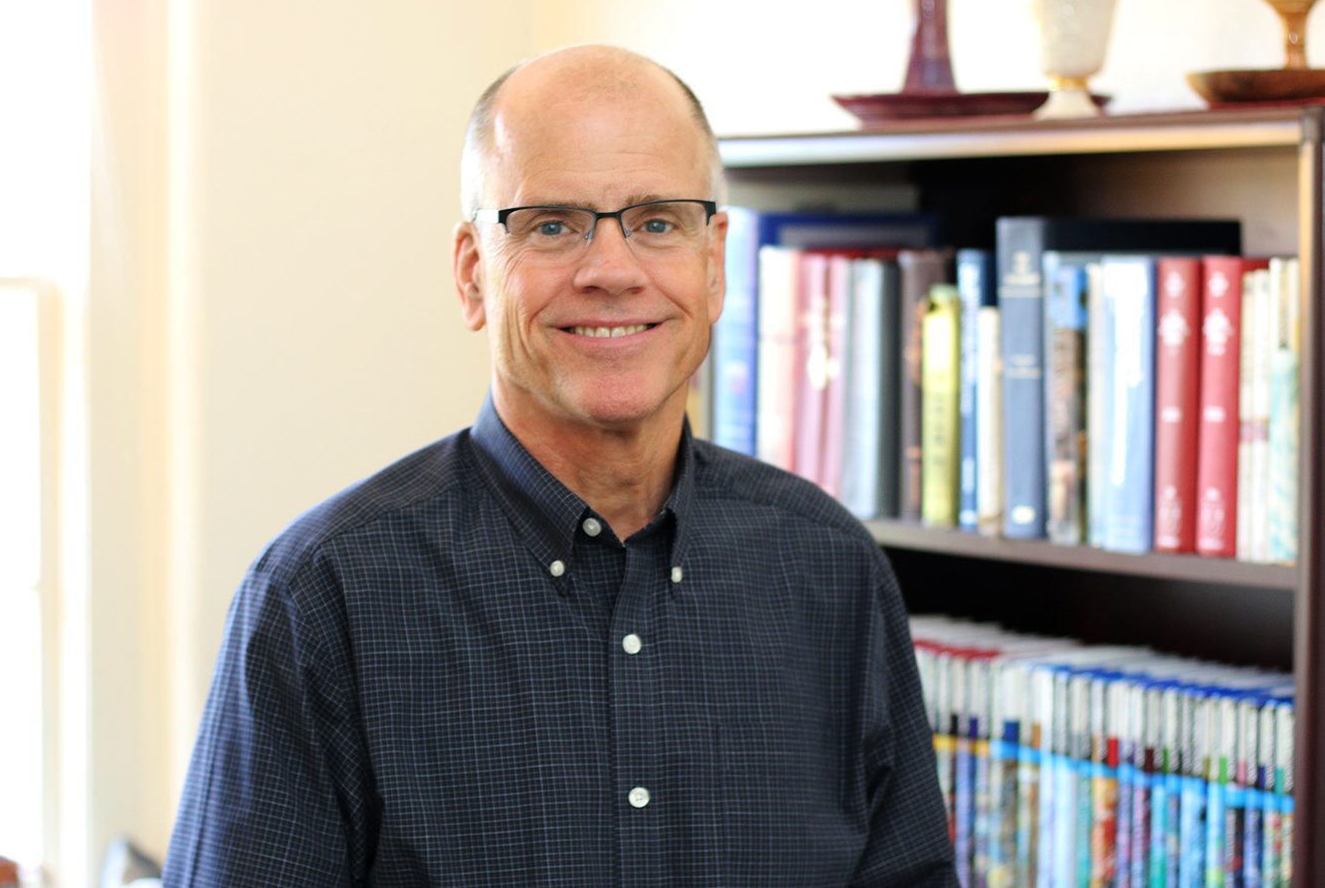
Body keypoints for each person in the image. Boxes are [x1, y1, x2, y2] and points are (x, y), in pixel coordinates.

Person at [163, 44, 954, 886]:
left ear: (715, 264)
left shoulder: (830, 571)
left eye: (656, 221)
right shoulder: (324, 597)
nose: (612, 271)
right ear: (473, 276)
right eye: (551, 225)